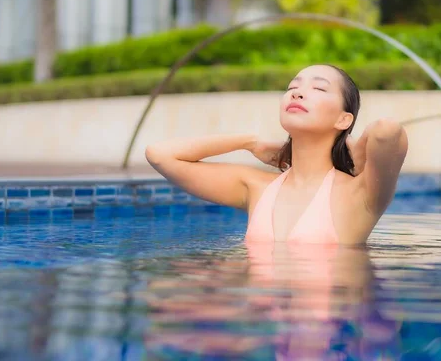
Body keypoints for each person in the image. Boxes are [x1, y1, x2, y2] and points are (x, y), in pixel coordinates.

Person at [145, 64, 408, 245]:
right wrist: (250, 142)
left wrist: (359, 152)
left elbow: (388, 131)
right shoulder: (257, 187)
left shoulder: (360, 194)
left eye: (319, 89)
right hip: (268, 319)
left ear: (343, 119)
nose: (298, 92)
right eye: (292, 87)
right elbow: (159, 155)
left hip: (328, 323)